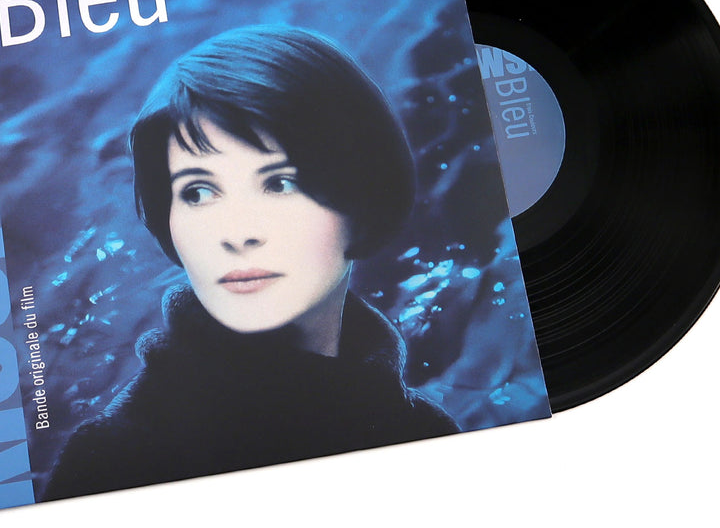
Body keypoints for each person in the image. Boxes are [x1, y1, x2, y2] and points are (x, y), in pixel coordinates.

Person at [43, 25, 458, 500]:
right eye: (198, 192)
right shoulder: (116, 459)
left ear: (362, 198)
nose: (237, 233)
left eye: (279, 183)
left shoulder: (427, 435)